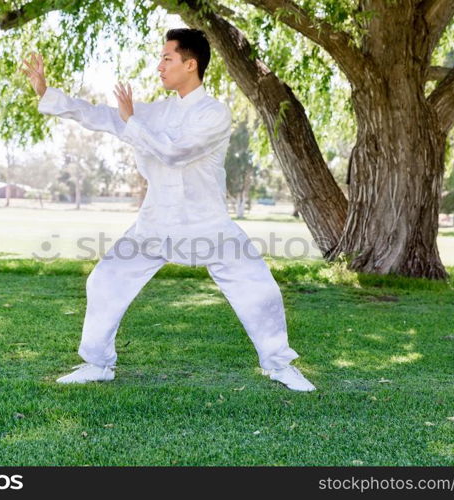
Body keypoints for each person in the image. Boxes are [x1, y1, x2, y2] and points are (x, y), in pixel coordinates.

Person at [20, 28, 316, 391]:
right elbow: (97, 115)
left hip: (207, 224)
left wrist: (132, 122)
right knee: (104, 281)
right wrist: (46, 92)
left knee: (259, 290)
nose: (159, 66)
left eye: (167, 58)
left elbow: (175, 153)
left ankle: (280, 365)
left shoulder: (214, 113)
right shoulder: (154, 112)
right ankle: (97, 363)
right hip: (155, 223)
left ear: (190, 65)